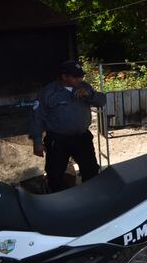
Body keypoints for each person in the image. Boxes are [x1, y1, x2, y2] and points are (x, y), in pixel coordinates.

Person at [30, 61, 106, 192]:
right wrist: (37, 142)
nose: (80, 79)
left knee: (91, 170)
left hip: (82, 138)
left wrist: (90, 94)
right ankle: (61, 203)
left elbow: (102, 101)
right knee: (55, 175)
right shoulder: (48, 92)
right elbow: (37, 118)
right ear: (64, 77)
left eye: (81, 76)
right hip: (57, 140)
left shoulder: (85, 87)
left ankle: (92, 197)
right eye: (75, 76)